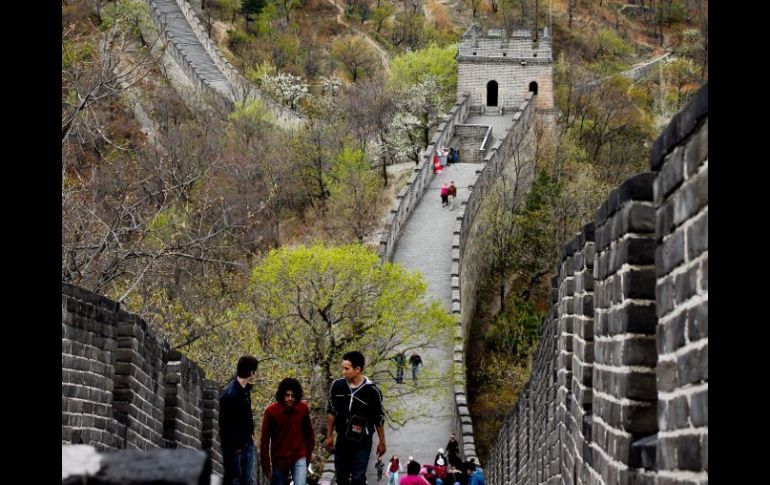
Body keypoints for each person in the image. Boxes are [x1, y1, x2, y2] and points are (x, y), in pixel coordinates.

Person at [326, 351, 387, 485]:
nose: (343, 372)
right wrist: (329, 435)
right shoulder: (337, 386)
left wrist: (382, 442)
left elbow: (378, 418)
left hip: (362, 440)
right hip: (342, 438)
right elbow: (331, 412)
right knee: (341, 477)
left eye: (347, 369)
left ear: (358, 369)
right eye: (343, 368)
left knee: (358, 478)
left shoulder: (372, 391)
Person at [260, 378, 315, 485]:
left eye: (293, 396)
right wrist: (266, 465)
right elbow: (264, 441)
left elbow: (309, 434)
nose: (290, 398)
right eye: (287, 395)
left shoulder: (303, 409)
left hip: (299, 455)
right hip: (279, 458)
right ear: (282, 395)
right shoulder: (271, 412)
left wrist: (308, 456)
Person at [220, 356, 259, 485]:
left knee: (247, 481)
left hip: (246, 442)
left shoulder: (245, 391)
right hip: (235, 446)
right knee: (235, 480)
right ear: (252, 372)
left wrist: (251, 434)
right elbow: (226, 423)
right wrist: (235, 446)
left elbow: (247, 417)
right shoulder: (231, 393)